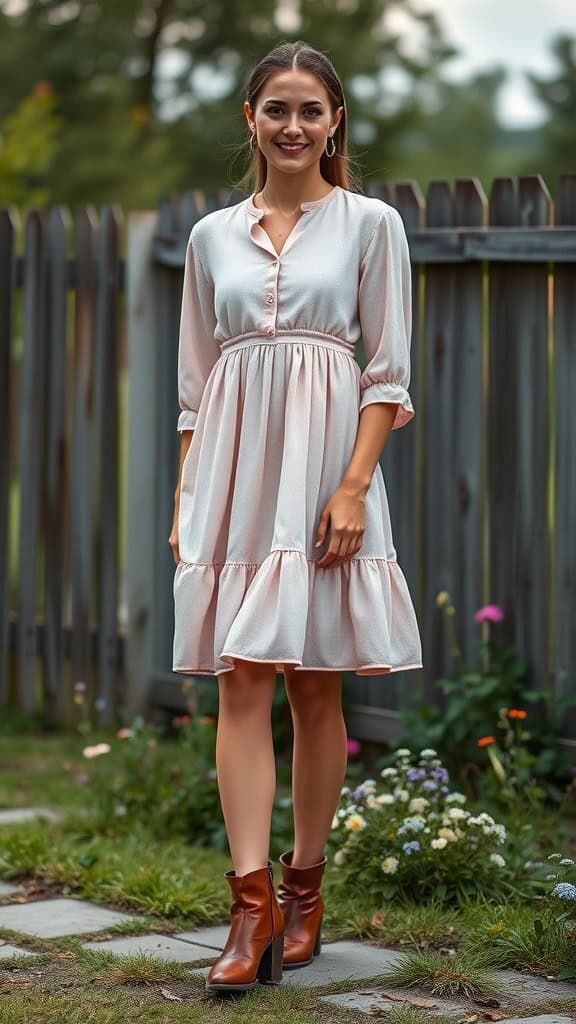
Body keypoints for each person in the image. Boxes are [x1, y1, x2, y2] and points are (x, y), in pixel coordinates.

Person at [169, 40, 423, 994]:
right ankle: (249, 904)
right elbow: (197, 386)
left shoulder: (372, 225)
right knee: (240, 678)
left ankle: (306, 890)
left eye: (310, 110)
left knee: (316, 685)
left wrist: (354, 487)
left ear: (334, 122)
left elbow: (387, 373)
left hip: (325, 477)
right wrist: (188, 499)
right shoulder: (209, 238)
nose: (292, 126)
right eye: (275, 108)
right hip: (231, 483)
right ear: (250, 118)